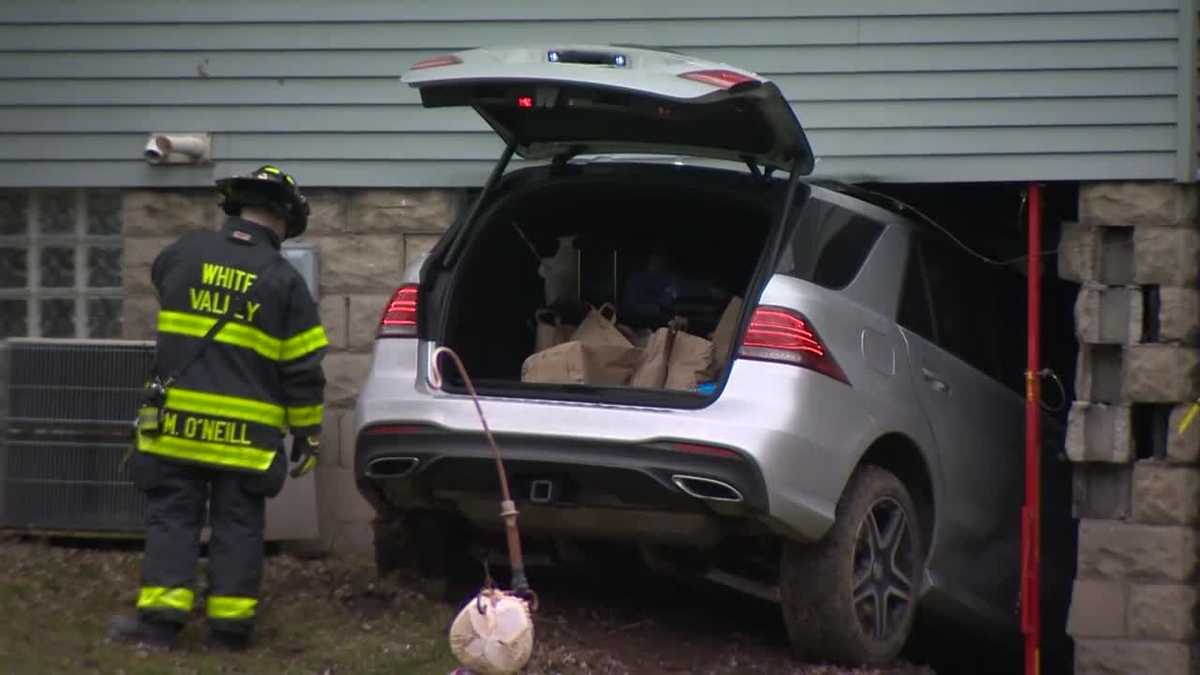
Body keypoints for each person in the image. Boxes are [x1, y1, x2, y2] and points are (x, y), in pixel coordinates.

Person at [109, 165, 327, 651]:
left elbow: (165, 293)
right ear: (286, 219)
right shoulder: (286, 283)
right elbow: (303, 371)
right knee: (239, 526)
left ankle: (159, 627)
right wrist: (308, 434)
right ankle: (228, 633)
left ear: (236, 207)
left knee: (173, 520)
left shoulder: (181, 255)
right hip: (245, 442)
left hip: (177, 428)